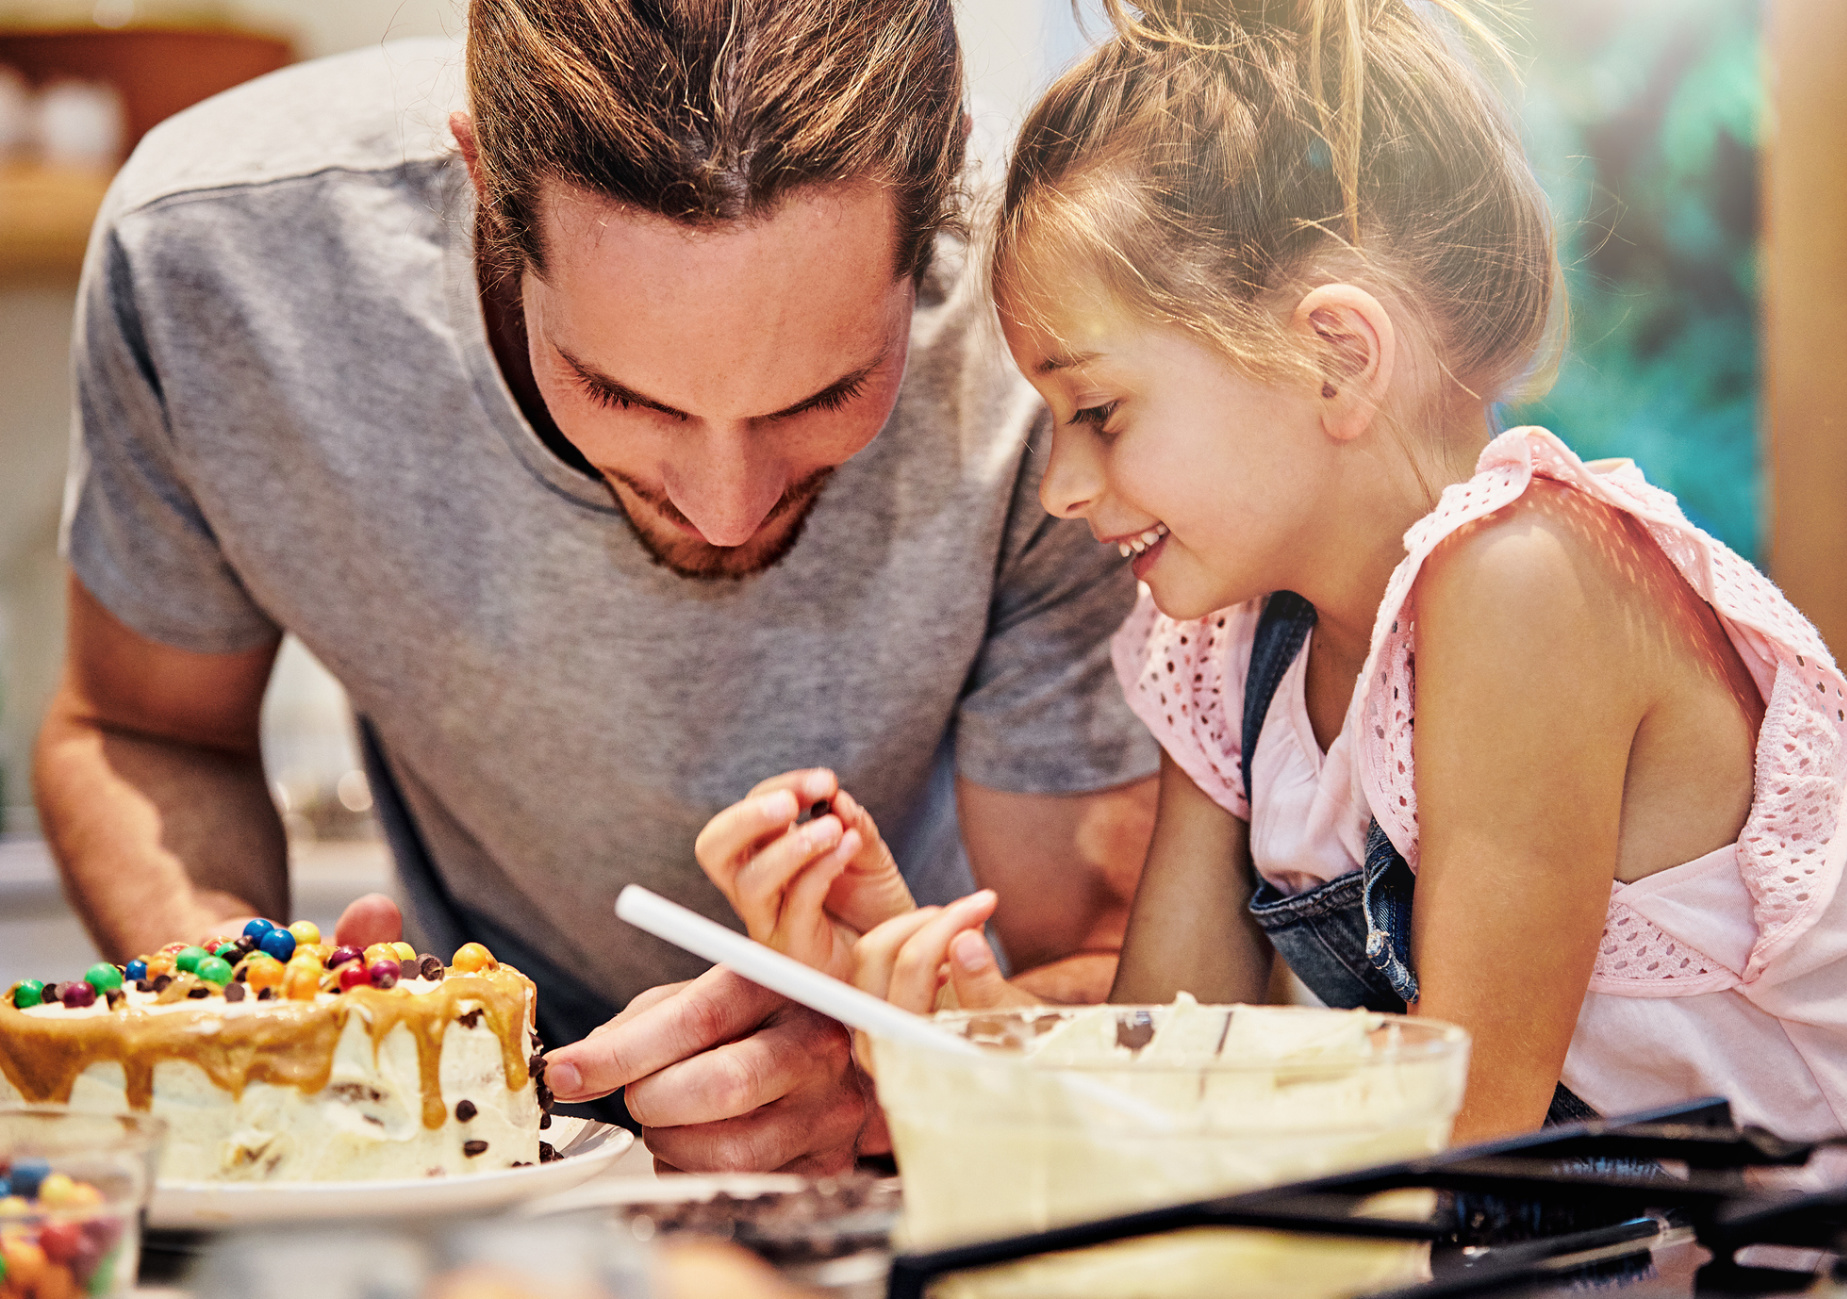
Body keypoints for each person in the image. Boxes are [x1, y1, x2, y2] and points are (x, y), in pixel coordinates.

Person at [709, 0, 1847, 1149]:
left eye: (1096, 410)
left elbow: (1466, 1105)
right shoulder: (1231, 657)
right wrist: (970, 1027)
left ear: (1334, 355)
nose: (1059, 483)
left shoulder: (1526, 579)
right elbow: (1173, 1060)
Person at [34, 0, 1160, 1174]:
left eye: (823, 395)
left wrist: (904, 1071)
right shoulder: (214, 257)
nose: (724, 508)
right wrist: (265, 1029)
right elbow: (139, 728)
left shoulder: (1046, 326)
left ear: (935, 207)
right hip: (468, 1187)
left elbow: (1107, 966)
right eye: (624, 395)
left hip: (922, 1172)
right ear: (483, 182)